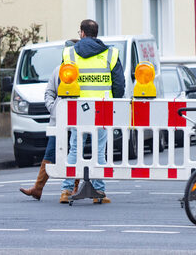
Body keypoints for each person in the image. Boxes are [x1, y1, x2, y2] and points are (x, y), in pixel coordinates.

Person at [59, 20, 125, 204]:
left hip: (77, 109)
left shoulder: (69, 53)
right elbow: (119, 84)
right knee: (99, 151)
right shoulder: (110, 54)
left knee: (74, 149)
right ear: (96, 33)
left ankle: (66, 191)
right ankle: (99, 192)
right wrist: (115, 103)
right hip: (101, 109)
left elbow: (63, 81)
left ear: (81, 33)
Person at [20, 40, 80, 200]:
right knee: (51, 153)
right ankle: (38, 188)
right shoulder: (58, 70)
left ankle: (73, 188)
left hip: (78, 120)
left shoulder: (82, 71)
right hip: (58, 121)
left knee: (76, 152)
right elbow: (49, 93)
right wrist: (54, 108)